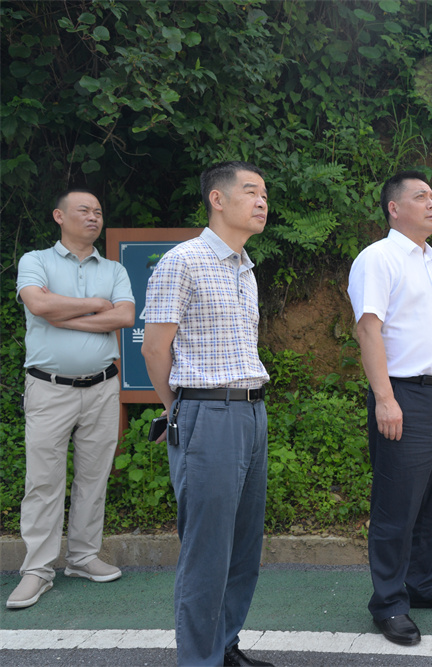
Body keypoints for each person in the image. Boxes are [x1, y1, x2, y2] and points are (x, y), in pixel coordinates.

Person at [142, 161, 273, 667]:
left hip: (252, 411)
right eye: (251, 191)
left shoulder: (246, 269)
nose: (261, 202)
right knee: (207, 550)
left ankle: (225, 645)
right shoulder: (183, 261)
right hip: (207, 414)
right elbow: (156, 348)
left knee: (243, 546)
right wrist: (176, 408)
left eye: (265, 195)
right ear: (217, 199)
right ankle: (199, 659)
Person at [348, 170, 432, 647]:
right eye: (421, 196)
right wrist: (385, 398)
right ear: (394, 208)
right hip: (402, 394)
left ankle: (422, 583)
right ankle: (388, 603)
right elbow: (368, 329)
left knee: (431, 503)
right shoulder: (378, 258)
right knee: (396, 506)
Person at [8, 189, 135, 610]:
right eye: (84, 210)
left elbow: (125, 316)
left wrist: (62, 316)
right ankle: (37, 569)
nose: (93, 216)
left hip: (102, 387)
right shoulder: (36, 261)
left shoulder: (114, 269)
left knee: (93, 477)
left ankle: (82, 557)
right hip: (48, 388)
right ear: (59, 216)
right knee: (43, 481)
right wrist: (95, 307)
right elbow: (37, 303)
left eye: (98, 211)